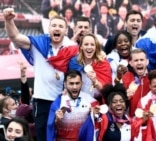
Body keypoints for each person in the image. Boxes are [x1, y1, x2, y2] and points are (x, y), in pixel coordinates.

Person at [3, 8, 79, 141]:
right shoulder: (38, 44)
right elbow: (15, 37)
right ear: (49, 29)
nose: (57, 28)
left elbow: (77, 72)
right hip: (42, 100)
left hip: (64, 100)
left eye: (61, 26)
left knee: (65, 136)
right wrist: (9, 20)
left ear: (66, 31)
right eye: (54, 25)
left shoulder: (72, 47)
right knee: (43, 136)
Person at [47, 70, 98, 141]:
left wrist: (95, 113)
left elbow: (100, 118)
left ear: (82, 83)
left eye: (77, 83)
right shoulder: (58, 103)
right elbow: (51, 129)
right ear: (65, 84)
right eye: (71, 83)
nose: (74, 87)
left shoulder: (90, 101)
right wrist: (57, 120)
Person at [121, 49, 156, 117]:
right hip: (134, 118)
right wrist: (125, 96)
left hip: (151, 116)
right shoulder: (126, 77)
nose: (139, 63)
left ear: (147, 61)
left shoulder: (154, 76)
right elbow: (119, 98)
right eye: (136, 60)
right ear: (130, 63)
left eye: (142, 60)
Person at [68, 33, 112, 102]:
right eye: (86, 44)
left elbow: (107, 92)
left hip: (96, 103)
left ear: (96, 47)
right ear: (81, 47)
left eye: (92, 44)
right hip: (77, 102)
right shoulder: (74, 62)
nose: (89, 47)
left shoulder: (103, 63)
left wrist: (95, 81)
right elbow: (69, 83)